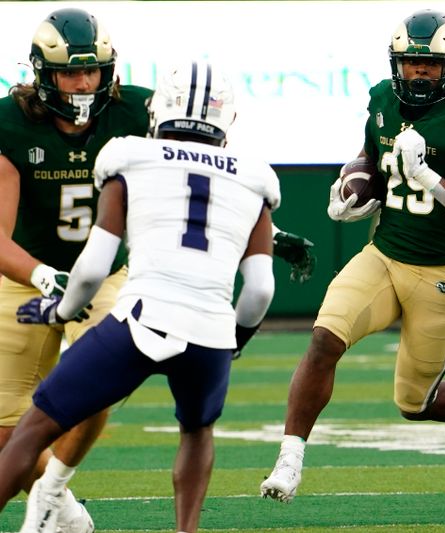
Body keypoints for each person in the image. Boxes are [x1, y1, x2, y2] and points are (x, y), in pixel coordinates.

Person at [0, 59, 279, 532]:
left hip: (140, 318)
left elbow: (91, 268)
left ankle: (50, 493)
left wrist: (62, 308)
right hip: (210, 329)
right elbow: (259, 290)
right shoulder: (254, 177)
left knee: (36, 423)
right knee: (196, 430)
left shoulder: (130, 157)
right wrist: (235, 341)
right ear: (226, 118)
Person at [260, 9, 445, 504]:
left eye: (431, 65)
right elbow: (371, 159)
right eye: (412, 62)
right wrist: (352, 187)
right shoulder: (381, 98)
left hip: (441, 272)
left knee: (415, 404)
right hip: (385, 255)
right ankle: (289, 460)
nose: (419, 72)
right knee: (323, 340)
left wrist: (430, 177)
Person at [0, 8, 152, 532]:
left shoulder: (137, 110)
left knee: (100, 380)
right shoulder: (10, 121)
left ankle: (52, 489)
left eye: (91, 70)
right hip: (25, 271)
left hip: (106, 272)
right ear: (43, 72)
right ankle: (63, 511)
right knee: (2, 429)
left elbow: (196, 164)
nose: (83, 82)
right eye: (69, 71)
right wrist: (44, 276)